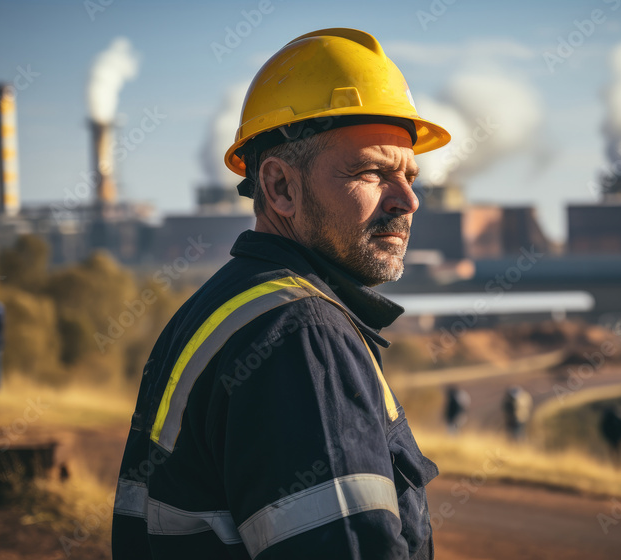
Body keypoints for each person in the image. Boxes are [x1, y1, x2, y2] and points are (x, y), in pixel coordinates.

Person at [112, 28, 451, 559]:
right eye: (373, 172)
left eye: (410, 175)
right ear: (279, 188)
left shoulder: (229, 306)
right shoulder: (299, 335)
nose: (408, 200)